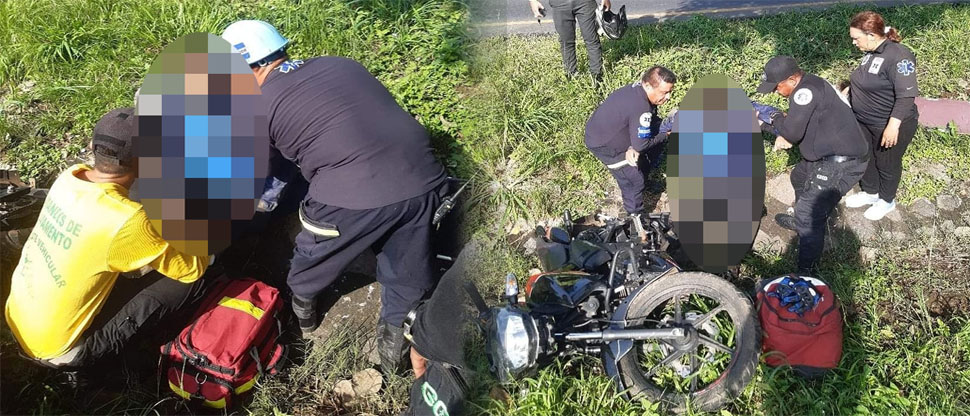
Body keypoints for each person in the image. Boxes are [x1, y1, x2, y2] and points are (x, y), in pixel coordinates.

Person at [220, 20, 448, 374]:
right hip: (425, 180)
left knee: (314, 250)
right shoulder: (338, 63)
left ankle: (304, 310)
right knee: (407, 274)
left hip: (351, 195)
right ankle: (395, 361)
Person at [5, 108, 211, 368]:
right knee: (190, 280)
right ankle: (109, 363)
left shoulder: (70, 178)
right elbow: (193, 268)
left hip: (19, 318)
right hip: (57, 350)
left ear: (93, 146)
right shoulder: (129, 221)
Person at [757, 56, 869, 274]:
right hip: (827, 155)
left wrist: (773, 117)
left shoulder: (804, 93)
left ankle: (806, 271)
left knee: (810, 212)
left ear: (792, 79)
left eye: (777, 87)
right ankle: (803, 222)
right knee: (798, 176)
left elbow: (792, 133)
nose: (775, 92)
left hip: (843, 162)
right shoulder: (811, 82)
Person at [842, 11, 919, 220]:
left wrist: (893, 126)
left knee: (887, 163)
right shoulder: (871, 53)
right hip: (865, 121)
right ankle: (871, 192)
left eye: (856, 38)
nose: (853, 42)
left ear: (872, 36)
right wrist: (849, 90)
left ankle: (886, 201)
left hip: (888, 123)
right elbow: (869, 80)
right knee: (866, 156)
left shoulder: (899, 56)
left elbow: (906, 95)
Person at [585, 66, 676, 216]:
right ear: (647, 85)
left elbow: (643, 132)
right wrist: (666, 133)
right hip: (604, 143)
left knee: (656, 139)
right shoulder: (640, 106)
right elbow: (641, 145)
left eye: (670, 92)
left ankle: (644, 175)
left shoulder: (640, 92)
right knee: (633, 180)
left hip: (620, 129)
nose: (668, 97)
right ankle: (635, 218)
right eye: (664, 92)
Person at [528, 0, 607, 83]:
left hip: (585, 3)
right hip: (560, 4)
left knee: (592, 40)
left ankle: (597, 80)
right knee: (566, 42)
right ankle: (571, 78)